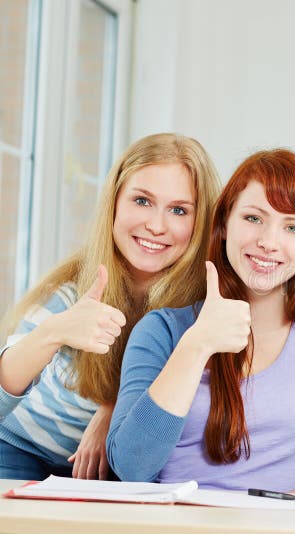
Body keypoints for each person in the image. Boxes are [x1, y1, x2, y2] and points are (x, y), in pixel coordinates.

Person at [106, 149, 295, 495]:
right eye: (254, 218)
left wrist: (277, 511)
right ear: (225, 223)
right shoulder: (161, 331)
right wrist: (196, 347)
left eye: (292, 227)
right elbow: (131, 467)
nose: (269, 243)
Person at [0, 133, 220, 481]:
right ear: (115, 202)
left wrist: (114, 407)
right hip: (18, 447)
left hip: (114, 469)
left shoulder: (204, 306)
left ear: (201, 222)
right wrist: (53, 332)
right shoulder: (73, 288)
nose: (156, 225)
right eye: (142, 201)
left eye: (178, 210)